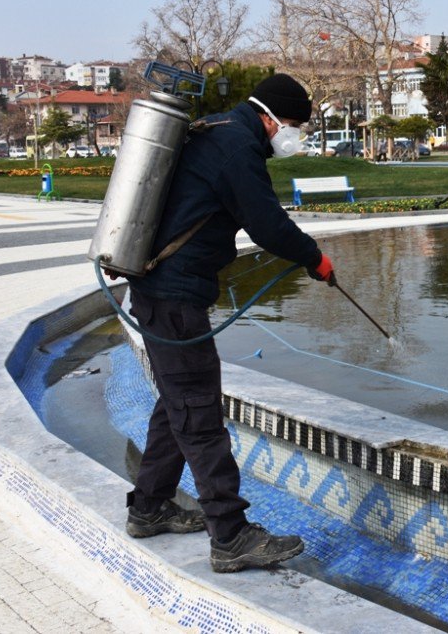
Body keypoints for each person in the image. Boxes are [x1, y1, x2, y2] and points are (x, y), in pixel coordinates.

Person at [122, 73, 335, 573]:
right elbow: (266, 222)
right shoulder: (237, 145)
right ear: (271, 117)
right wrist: (314, 258)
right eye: (294, 125)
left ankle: (150, 508)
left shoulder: (218, 129)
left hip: (163, 291)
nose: (294, 135)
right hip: (173, 295)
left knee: (179, 402)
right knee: (199, 412)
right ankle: (231, 537)